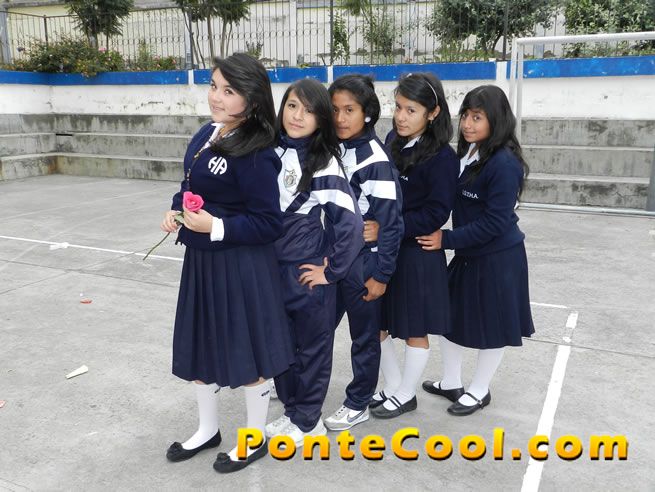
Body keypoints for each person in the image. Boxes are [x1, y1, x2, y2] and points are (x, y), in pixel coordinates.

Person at [162, 53, 294, 472]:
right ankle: (208, 429)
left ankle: (254, 439)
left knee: (247, 351)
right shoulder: (207, 132)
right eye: (214, 85)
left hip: (240, 266)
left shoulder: (257, 151)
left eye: (228, 90)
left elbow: (269, 222)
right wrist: (176, 209)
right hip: (202, 262)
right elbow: (190, 185)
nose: (215, 96)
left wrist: (215, 226)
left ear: (252, 99)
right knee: (202, 345)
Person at [417, 84, 535, 416]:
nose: (468, 124)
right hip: (469, 254)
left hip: (499, 258)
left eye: (477, 117)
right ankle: (451, 382)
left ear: (496, 119)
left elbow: (495, 223)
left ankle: (480, 389)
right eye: (466, 116)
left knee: (493, 327)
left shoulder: (504, 164)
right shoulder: (468, 154)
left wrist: (446, 239)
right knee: (449, 317)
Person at [265, 78, 364, 445]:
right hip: (271, 269)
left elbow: (351, 223)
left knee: (312, 349)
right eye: (292, 106)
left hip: (305, 271)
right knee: (281, 345)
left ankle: (309, 421)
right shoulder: (269, 149)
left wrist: (331, 271)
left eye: (308, 111)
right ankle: (293, 411)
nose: (297, 116)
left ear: (321, 119)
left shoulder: (322, 161)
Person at [365, 73, 458, 418]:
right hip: (386, 249)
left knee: (414, 331)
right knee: (377, 323)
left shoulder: (444, 158)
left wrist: (387, 227)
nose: (401, 117)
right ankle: (392, 385)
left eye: (411, 110)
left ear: (433, 113)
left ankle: (406, 394)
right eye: (399, 107)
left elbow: (436, 213)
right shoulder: (391, 140)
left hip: (416, 253)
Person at [322, 74, 403, 431]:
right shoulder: (331, 147)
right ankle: (302, 385)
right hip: (332, 258)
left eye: (349, 110)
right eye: (334, 109)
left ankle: (358, 403)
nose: (340, 118)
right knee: (316, 327)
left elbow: (392, 223)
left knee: (364, 338)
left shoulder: (375, 159)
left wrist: (381, 274)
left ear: (367, 113)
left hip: (363, 263)